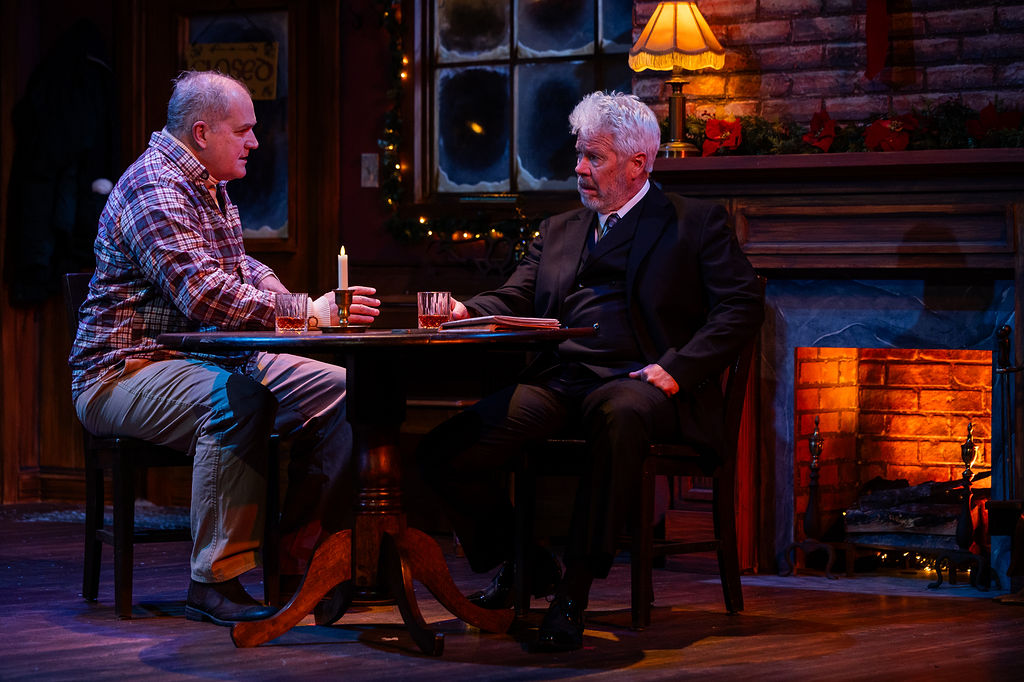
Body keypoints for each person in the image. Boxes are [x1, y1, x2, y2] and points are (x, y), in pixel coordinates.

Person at [416, 91, 764, 651]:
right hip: (562, 379)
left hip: (643, 383)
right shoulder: (559, 230)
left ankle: (573, 592)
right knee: (443, 452)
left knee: (618, 415)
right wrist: (464, 311)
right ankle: (524, 561)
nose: (579, 168)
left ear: (638, 164)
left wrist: (676, 368)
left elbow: (742, 306)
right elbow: (515, 297)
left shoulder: (694, 223)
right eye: (579, 154)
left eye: (594, 157)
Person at [68, 71, 380, 626]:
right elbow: (203, 292)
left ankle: (305, 558)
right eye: (244, 131)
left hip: (210, 359)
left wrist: (285, 295)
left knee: (348, 391)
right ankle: (213, 581)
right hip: (123, 371)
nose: (254, 142)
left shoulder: (208, 185)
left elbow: (235, 265)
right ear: (202, 131)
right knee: (235, 402)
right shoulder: (154, 188)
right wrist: (306, 313)